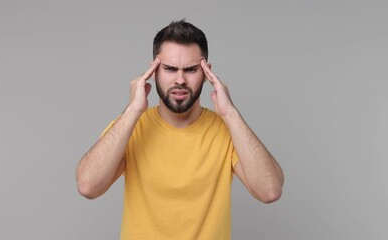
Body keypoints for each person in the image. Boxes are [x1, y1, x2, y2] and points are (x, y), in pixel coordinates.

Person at [76, 20, 284, 240]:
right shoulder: (131, 126)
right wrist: (133, 110)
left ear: (206, 73)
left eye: (192, 69)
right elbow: (88, 186)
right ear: (153, 71)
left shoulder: (226, 129)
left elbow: (269, 191)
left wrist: (230, 113)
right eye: (169, 69)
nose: (180, 80)